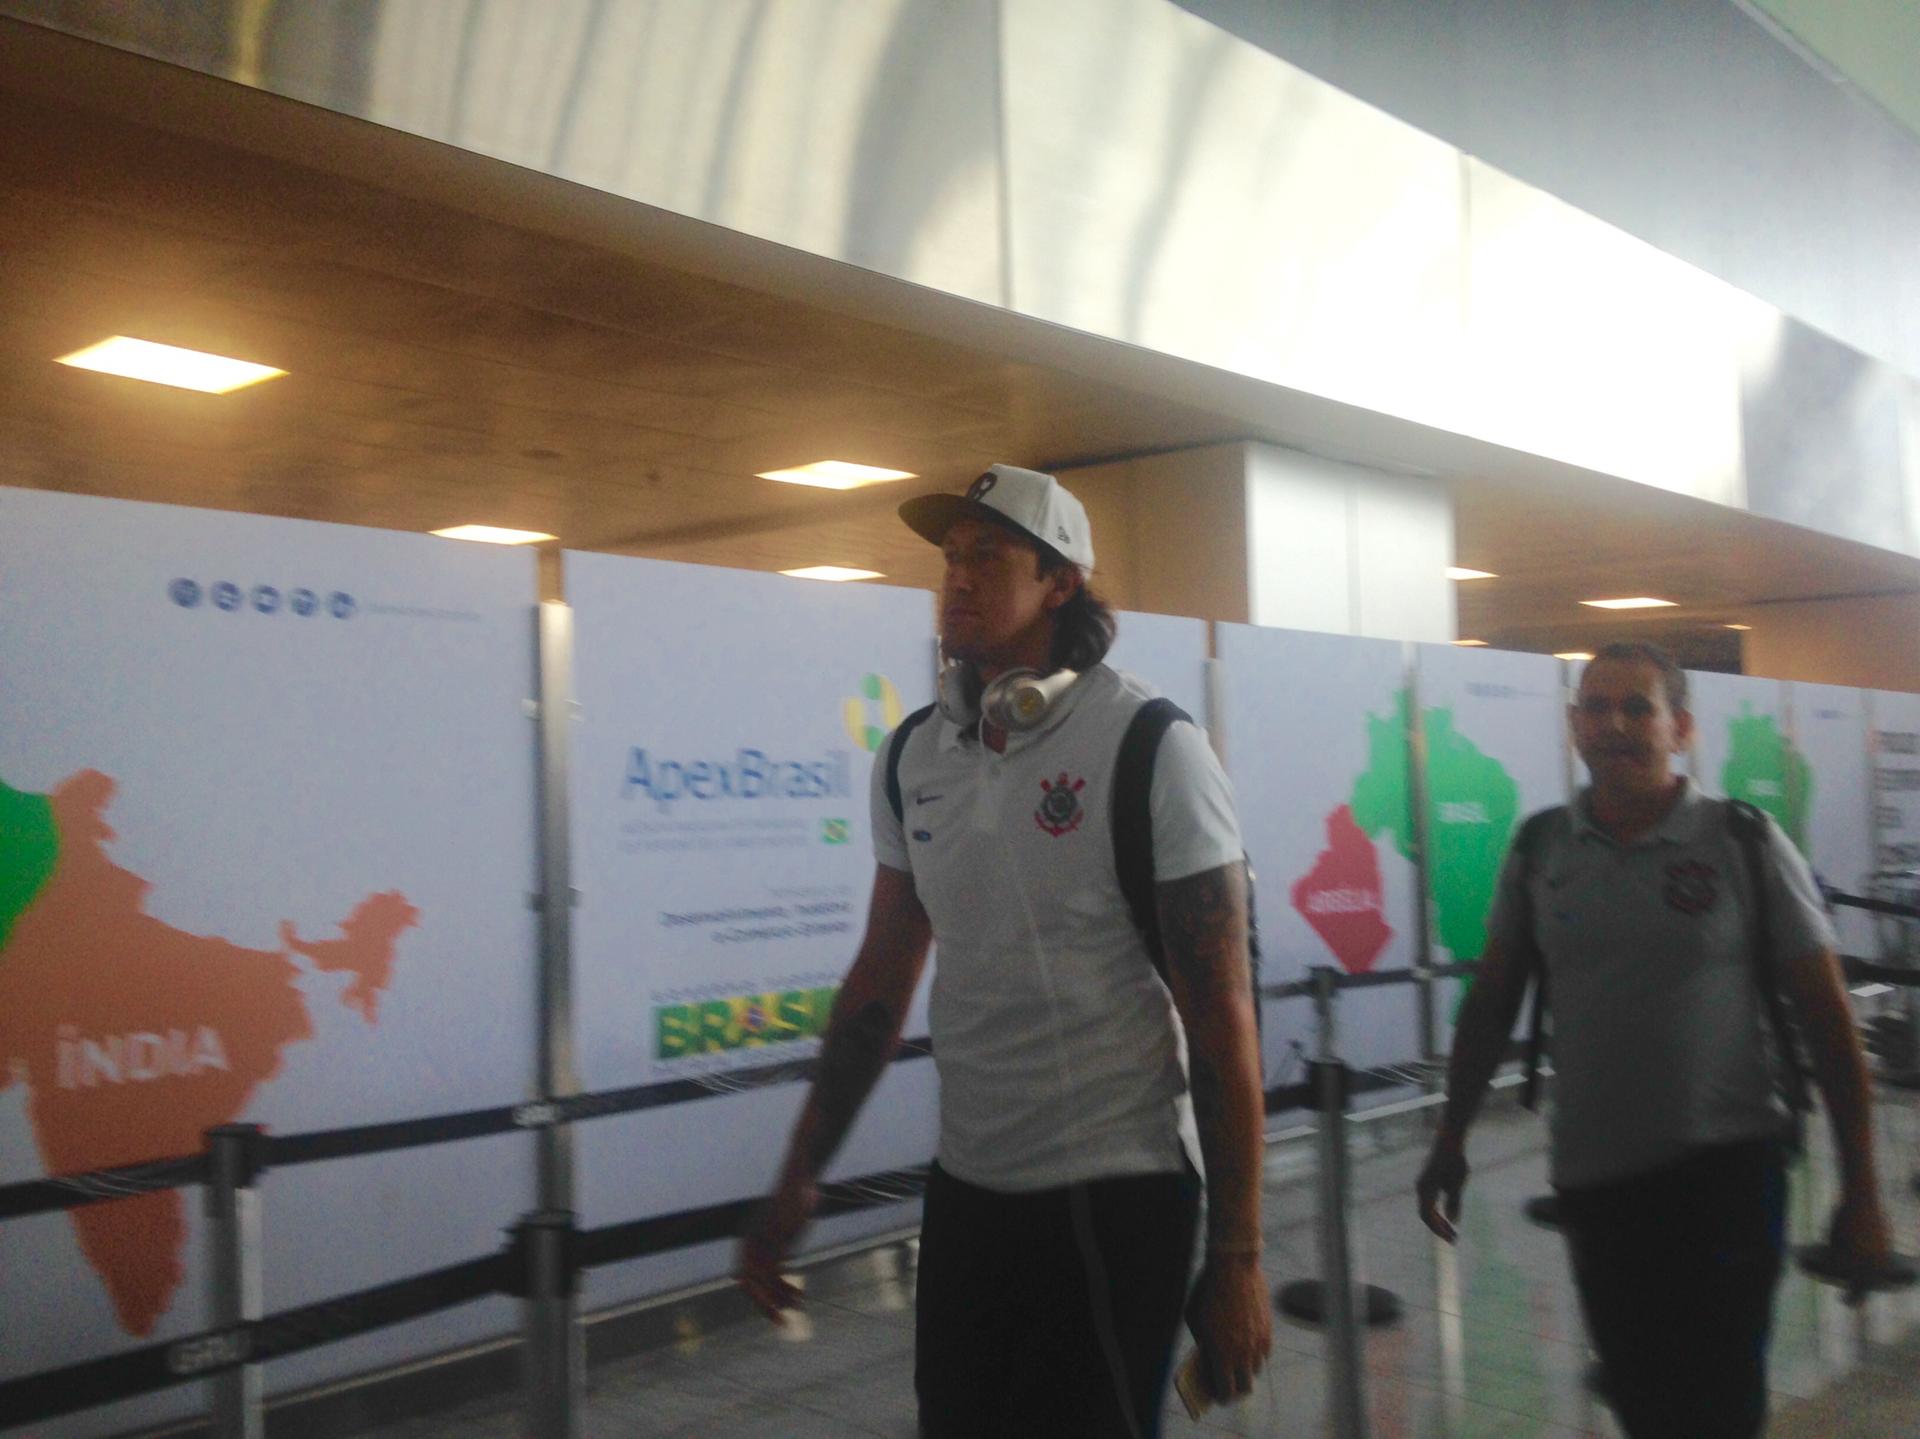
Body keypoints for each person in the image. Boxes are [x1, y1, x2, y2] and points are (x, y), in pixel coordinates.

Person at [737, 464, 1272, 1437]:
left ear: (1061, 581)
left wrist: (1237, 1257)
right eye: (951, 556)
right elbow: (878, 984)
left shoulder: (1149, 743)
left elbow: (1221, 1004)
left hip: (1119, 1188)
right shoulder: (915, 756)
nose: (959, 576)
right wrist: (802, 1167)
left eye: (990, 554)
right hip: (972, 1188)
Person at [1416, 641, 1892, 1439]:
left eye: (1638, 707)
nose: (1616, 725)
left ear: (1683, 727)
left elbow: (1828, 1018)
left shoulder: (1742, 839)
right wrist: (1450, 1136)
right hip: (1597, 1185)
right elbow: (1493, 1000)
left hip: (1728, 1174)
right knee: (1640, 1397)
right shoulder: (1542, 848)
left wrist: (1864, 1190)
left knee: (1718, 1405)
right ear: (1573, 725)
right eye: (1597, 708)